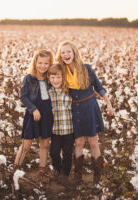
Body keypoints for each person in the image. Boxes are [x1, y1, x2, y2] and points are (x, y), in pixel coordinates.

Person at [56, 41, 114, 185]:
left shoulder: (86, 68)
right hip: (75, 108)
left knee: (94, 142)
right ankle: (78, 176)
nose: (66, 55)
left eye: (68, 51)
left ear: (74, 52)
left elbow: (99, 87)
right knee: (79, 142)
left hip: (89, 106)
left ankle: (97, 177)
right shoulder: (61, 71)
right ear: (60, 55)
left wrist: (109, 104)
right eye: (63, 52)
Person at [14, 49, 54, 183]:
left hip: (48, 115)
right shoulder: (29, 78)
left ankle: (42, 172)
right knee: (26, 144)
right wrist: (33, 109)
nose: (42, 66)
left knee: (44, 144)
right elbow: (23, 97)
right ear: (35, 62)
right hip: (33, 114)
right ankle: (15, 170)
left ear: (50, 64)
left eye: (46, 64)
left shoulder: (50, 78)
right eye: (40, 63)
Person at [47, 63, 74, 185]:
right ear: (49, 78)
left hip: (69, 129)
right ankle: (58, 169)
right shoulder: (49, 92)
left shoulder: (69, 91)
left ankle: (65, 174)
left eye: (58, 77)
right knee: (54, 152)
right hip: (55, 130)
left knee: (68, 153)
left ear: (63, 77)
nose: (55, 80)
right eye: (52, 77)